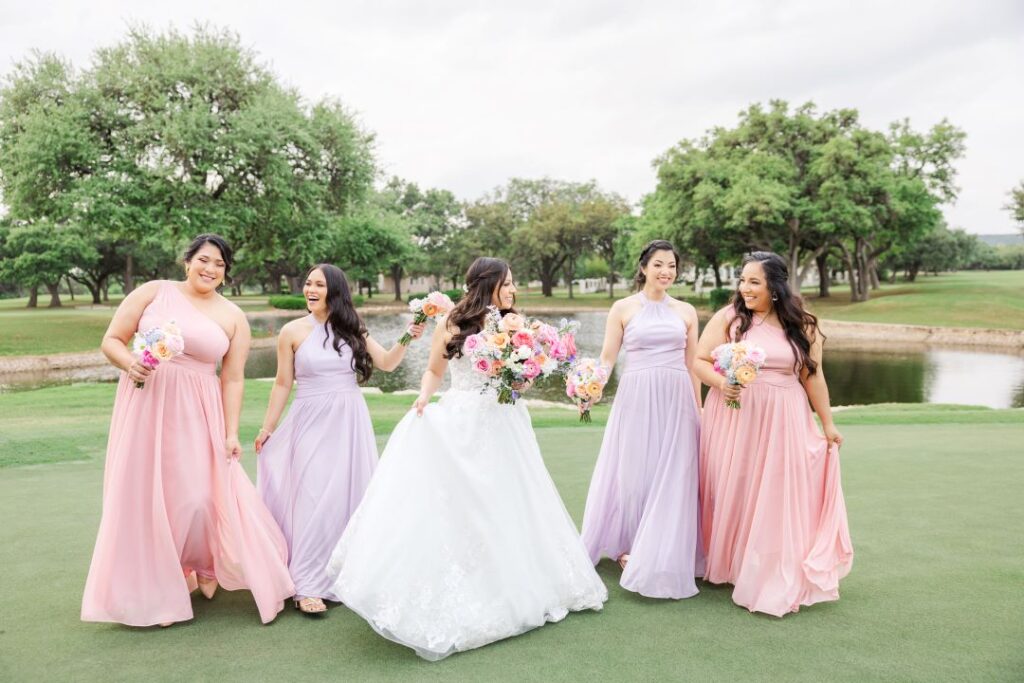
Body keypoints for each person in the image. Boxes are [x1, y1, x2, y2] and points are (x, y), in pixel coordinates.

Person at [325, 257, 607, 660]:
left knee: (512, 501)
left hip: (506, 421)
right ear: (488, 283)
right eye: (507, 283)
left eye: (514, 283)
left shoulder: (518, 325)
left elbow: (530, 372)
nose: (513, 289)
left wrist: (532, 376)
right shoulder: (452, 323)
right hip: (463, 418)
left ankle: (517, 581)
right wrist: (424, 395)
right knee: (463, 506)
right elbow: (435, 371)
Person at [82, 234, 293, 627]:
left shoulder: (232, 316)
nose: (210, 269)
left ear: (226, 273)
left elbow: (232, 379)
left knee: (197, 497)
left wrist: (231, 432)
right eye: (203, 260)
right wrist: (130, 363)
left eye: (219, 264)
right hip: (146, 403)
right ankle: (163, 584)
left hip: (199, 410)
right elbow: (111, 340)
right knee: (147, 494)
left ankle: (204, 563)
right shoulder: (153, 292)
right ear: (187, 262)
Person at [255, 264, 423, 614]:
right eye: (308, 283)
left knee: (350, 497)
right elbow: (283, 383)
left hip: (349, 421)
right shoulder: (292, 331)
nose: (311, 289)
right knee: (313, 498)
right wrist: (268, 428)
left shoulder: (353, 328)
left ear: (335, 291)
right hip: (309, 420)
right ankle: (306, 584)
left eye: (320, 284)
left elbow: (389, 363)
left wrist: (408, 336)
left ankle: (346, 576)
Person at [695, 251, 853, 617]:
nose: (744, 288)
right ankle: (732, 565)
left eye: (754, 282)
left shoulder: (803, 324)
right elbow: (700, 360)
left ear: (775, 288)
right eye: (742, 280)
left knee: (777, 490)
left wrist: (827, 424)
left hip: (785, 415)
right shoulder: (731, 319)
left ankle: (768, 568)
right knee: (738, 484)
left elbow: (813, 376)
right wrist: (723, 383)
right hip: (736, 415)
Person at [580, 240, 705, 599]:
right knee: (634, 474)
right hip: (636, 396)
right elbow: (607, 358)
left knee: (676, 472)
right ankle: (629, 546)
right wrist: (591, 389)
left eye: (672, 266)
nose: (666, 271)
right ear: (644, 267)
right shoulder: (622, 308)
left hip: (676, 396)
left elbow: (692, 364)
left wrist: (698, 408)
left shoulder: (686, 311)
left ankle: (668, 547)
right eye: (659, 264)